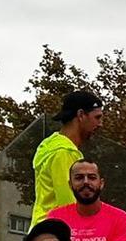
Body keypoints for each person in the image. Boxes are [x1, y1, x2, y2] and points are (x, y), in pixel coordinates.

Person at [31, 89, 102, 225]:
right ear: (81, 115)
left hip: (42, 229)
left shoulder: (50, 144)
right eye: (97, 117)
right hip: (55, 234)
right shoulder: (64, 152)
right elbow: (71, 203)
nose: (100, 124)